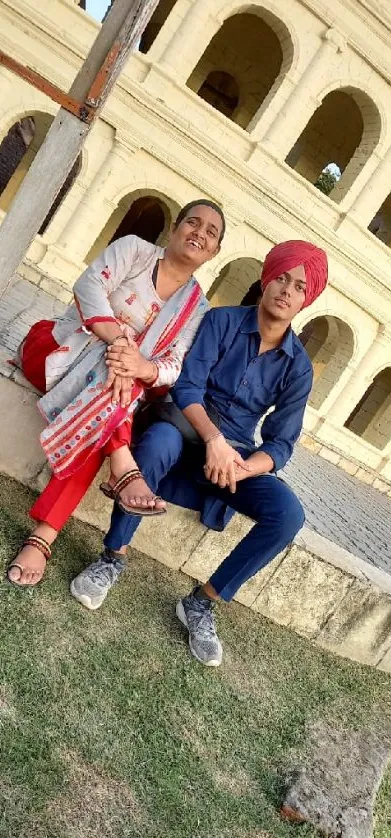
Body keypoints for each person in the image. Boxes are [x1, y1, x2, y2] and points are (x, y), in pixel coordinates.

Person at [71, 240, 328, 667]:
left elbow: (281, 443)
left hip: (232, 461)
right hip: (185, 426)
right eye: (281, 277)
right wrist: (214, 441)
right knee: (156, 444)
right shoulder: (222, 321)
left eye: (299, 286)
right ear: (266, 280)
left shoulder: (296, 366)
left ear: (306, 299)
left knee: (288, 514)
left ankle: (202, 602)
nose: (286, 290)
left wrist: (243, 468)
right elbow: (187, 387)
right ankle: (112, 558)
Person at [7, 200, 226, 587]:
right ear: (175, 228)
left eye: (211, 233)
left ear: (214, 252)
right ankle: (121, 463)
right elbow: (89, 286)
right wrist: (123, 345)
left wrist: (141, 367)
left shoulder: (197, 308)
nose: (200, 233)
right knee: (114, 400)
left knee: (105, 409)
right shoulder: (134, 251)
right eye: (193, 223)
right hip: (57, 352)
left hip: (111, 396)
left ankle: (44, 536)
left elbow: (176, 363)